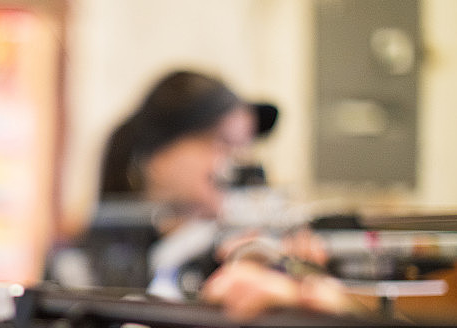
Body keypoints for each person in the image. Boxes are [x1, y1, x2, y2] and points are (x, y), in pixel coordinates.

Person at [46, 70, 283, 296]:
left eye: (243, 148)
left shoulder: (238, 256)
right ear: (155, 155)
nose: (235, 164)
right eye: (220, 142)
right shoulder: (80, 263)